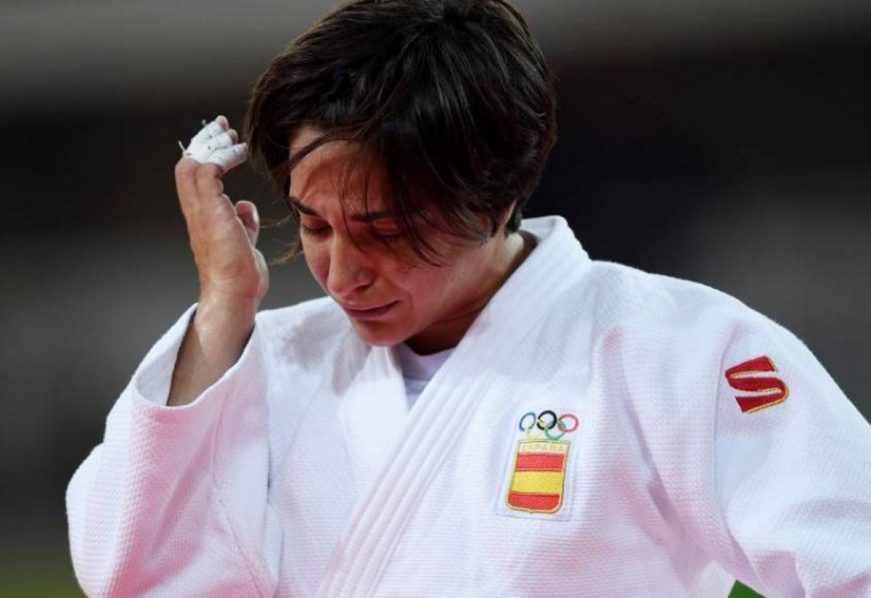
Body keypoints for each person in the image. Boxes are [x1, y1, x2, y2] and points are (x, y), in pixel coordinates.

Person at [66, 0, 871, 596]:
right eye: (314, 225)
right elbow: (125, 573)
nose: (341, 272)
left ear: (492, 199)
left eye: (382, 228)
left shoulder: (680, 350)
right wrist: (222, 314)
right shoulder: (262, 364)